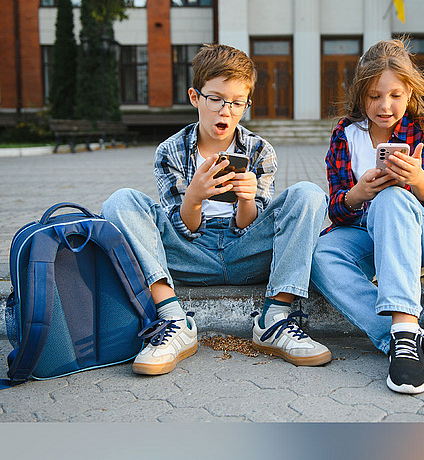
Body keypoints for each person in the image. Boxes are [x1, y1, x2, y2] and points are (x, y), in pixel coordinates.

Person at [101, 44, 332, 376]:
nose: (226, 110)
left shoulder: (259, 151)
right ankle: (172, 321)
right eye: (216, 99)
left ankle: (275, 319)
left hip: (248, 252)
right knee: (121, 202)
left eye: (238, 103)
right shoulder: (171, 151)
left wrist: (248, 200)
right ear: (195, 97)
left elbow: (249, 226)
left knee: (309, 194)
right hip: (189, 254)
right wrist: (193, 198)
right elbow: (185, 228)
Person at [311, 38, 424, 394]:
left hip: (422, 239)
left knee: (391, 200)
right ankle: (415, 342)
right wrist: (357, 194)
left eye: (395, 95)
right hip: (369, 235)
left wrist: (418, 181)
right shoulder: (345, 134)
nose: (384, 106)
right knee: (319, 255)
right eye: (374, 96)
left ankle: (402, 327)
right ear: (360, 95)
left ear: (410, 92)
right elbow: (337, 210)